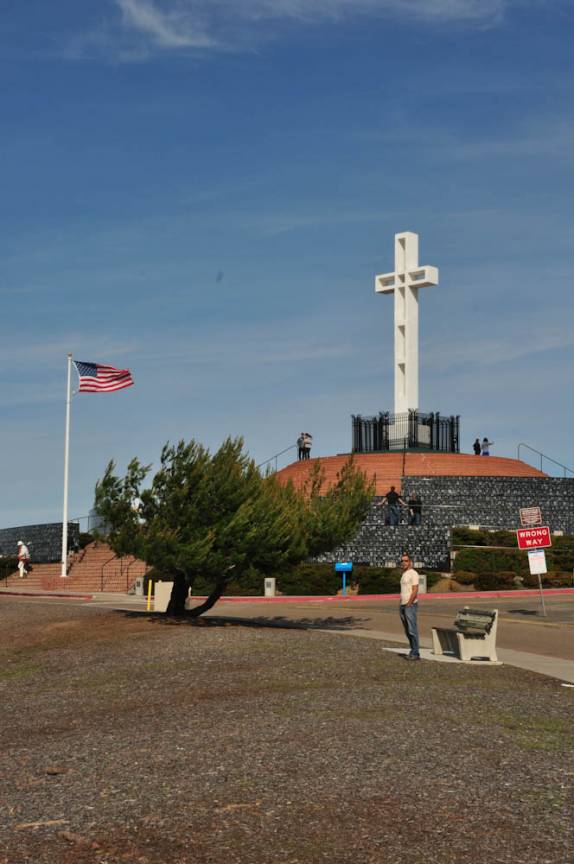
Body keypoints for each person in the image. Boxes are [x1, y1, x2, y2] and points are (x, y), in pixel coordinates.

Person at [399, 552, 420, 660]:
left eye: (406, 560)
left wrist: (409, 603)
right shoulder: (404, 574)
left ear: (410, 562)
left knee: (412, 630)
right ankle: (413, 650)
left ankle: (415, 653)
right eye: (402, 560)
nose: (404, 562)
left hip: (410, 605)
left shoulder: (413, 573)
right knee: (407, 630)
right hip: (402, 605)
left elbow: (415, 590)